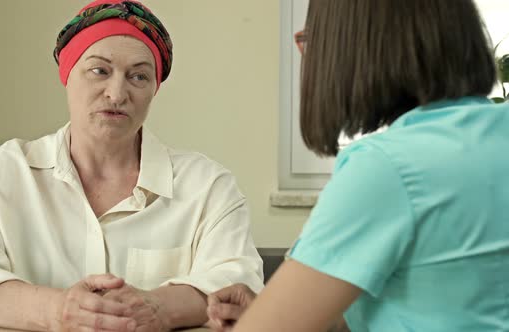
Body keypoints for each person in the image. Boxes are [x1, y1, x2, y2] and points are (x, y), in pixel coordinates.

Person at [0, 1, 263, 331]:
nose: (117, 93)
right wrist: (58, 310)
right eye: (100, 71)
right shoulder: (1, 175)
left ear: (154, 89)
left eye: (138, 76)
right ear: (67, 74)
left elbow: (237, 282)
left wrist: (159, 307)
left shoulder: (207, 187)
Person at [206, 0, 509, 331]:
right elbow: (436, 303)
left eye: (310, 42)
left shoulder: (388, 166)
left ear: (348, 47)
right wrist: (291, 306)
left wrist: (271, 316)